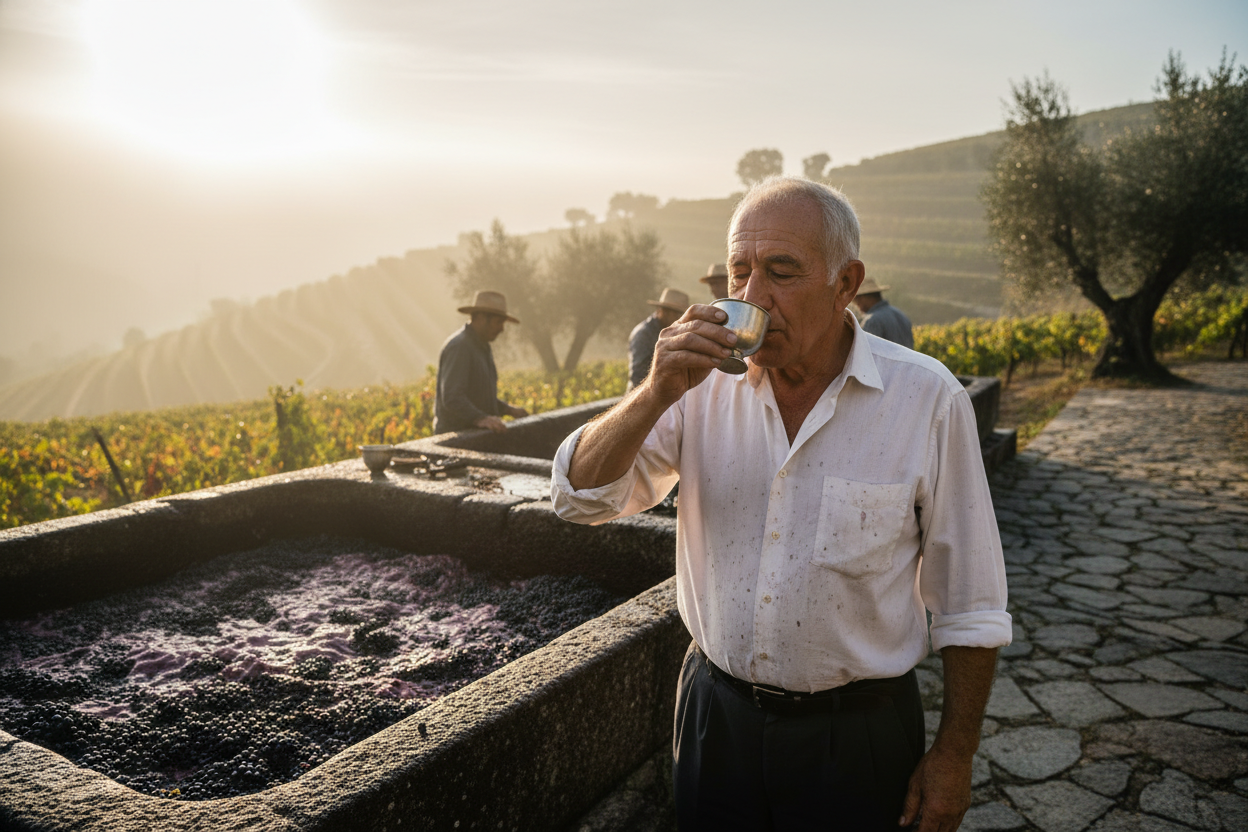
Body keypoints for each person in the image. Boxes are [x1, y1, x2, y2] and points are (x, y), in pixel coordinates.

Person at [551, 176, 1009, 831]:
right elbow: (579, 498)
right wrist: (654, 393)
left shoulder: (925, 401)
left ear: (846, 284)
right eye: (738, 274)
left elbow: (971, 604)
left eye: (781, 272)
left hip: (857, 738)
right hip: (716, 718)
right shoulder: (697, 391)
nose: (752, 298)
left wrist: (954, 756)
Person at [434, 290, 529, 434]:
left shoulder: (483, 347)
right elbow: (452, 397)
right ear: (481, 318)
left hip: (475, 437)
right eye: (498, 322)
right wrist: (480, 418)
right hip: (455, 438)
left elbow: (481, 398)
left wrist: (508, 409)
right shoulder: (460, 347)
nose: (502, 329)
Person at [628, 287, 690, 390]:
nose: (681, 319)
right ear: (664, 312)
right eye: (678, 314)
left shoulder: (674, 332)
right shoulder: (643, 334)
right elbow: (638, 376)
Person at [853, 276, 914, 349]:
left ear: (865, 298)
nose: (857, 305)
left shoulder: (872, 321)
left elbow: (865, 352)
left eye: (857, 300)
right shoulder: (901, 315)